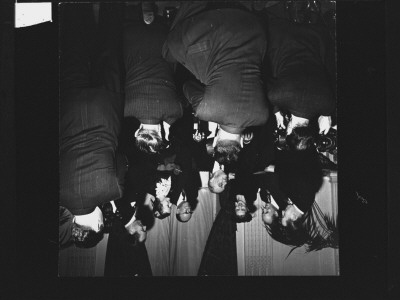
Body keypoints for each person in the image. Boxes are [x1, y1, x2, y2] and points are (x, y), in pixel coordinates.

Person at [163, 1, 269, 166]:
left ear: (240, 143)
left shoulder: (262, 116)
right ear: (215, 142)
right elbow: (187, 86)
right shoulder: (205, 111)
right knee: (169, 51)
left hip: (253, 30)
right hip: (216, 28)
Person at [265, 15, 336, 151]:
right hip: (284, 33)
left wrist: (326, 115)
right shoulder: (277, 97)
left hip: (315, 34)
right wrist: (276, 112)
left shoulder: (329, 104)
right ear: (290, 129)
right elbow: (266, 82)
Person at [123, 3, 183, 155]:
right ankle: (143, 13)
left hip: (162, 39)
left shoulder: (175, 112)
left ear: (161, 133)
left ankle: (153, 15)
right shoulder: (126, 111)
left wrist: (167, 128)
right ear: (137, 132)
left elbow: (176, 114)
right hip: (132, 41)